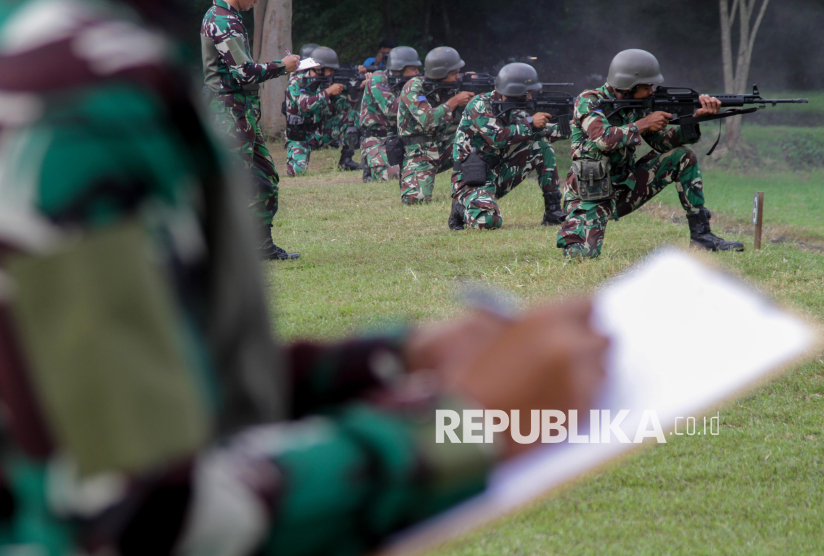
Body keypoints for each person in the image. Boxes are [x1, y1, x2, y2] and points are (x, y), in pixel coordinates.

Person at [0, 1, 609, 554]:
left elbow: (150, 379)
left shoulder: (88, 55)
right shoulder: (72, 87)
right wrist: (464, 426)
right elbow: (140, 520)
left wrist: (385, 360)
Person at [557, 49, 744, 259]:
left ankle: (702, 236)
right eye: (646, 87)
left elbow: (663, 143)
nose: (651, 92)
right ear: (627, 86)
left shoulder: (639, 106)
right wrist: (644, 123)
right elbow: (603, 139)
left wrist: (693, 120)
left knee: (683, 156)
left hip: (624, 189)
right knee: (580, 256)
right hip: (590, 194)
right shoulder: (589, 100)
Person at [202, 0, 301, 260]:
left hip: (240, 113)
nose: (257, 1)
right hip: (228, 113)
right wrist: (283, 66)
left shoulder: (227, 16)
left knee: (263, 176)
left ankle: (261, 247)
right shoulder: (223, 20)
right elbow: (244, 73)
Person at [449, 63, 567, 230]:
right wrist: (531, 122)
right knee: (488, 222)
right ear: (513, 91)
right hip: (470, 179)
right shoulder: (480, 104)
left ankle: (553, 211)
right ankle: (460, 209)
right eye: (526, 93)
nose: (529, 98)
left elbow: (541, 132)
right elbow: (497, 138)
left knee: (542, 147)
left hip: (496, 175)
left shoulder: (513, 110)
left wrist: (574, 126)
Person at [397, 47, 475, 204]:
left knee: (477, 132)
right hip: (418, 152)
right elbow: (427, 119)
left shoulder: (451, 87)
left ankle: (475, 185)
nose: (458, 77)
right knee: (415, 200)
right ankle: (411, 176)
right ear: (440, 74)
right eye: (454, 73)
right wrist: (454, 101)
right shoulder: (414, 88)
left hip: (442, 147)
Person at [284, 46, 362, 176]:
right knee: (297, 172)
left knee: (353, 116)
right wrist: (328, 92)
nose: (332, 72)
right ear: (319, 69)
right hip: (300, 136)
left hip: (321, 132)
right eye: (330, 69)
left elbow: (344, 107)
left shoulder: (326, 83)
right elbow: (305, 106)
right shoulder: (296, 81)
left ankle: (346, 160)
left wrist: (355, 91)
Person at [359, 46, 422, 183]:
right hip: (377, 139)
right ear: (399, 70)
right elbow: (390, 109)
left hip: (400, 138)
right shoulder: (378, 78)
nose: (417, 73)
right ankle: (370, 164)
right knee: (394, 176)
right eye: (413, 69)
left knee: (419, 171)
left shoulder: (410, 82)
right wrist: (415, 96)